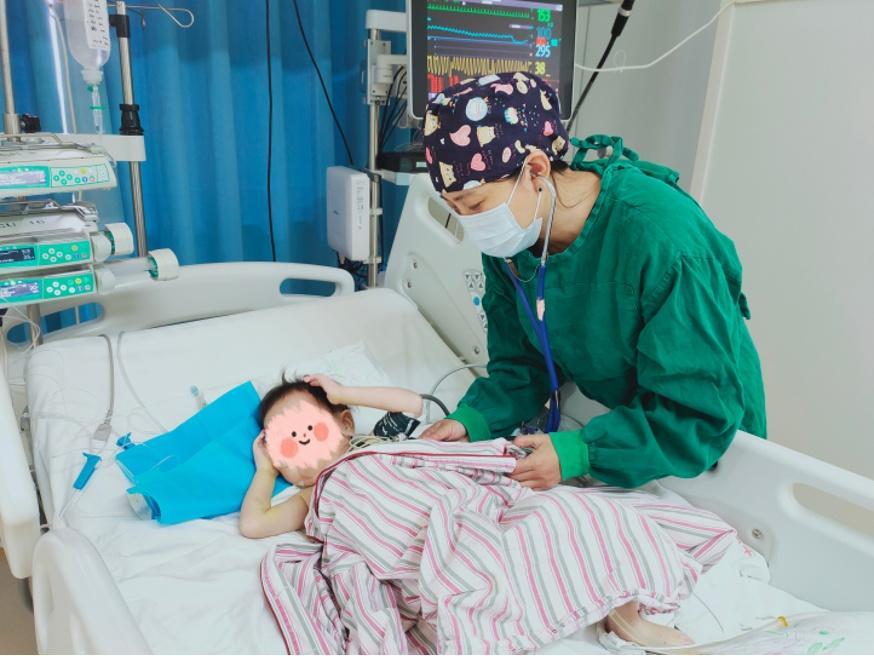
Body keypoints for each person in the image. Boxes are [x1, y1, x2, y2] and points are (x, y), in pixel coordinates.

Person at [419, 71, 766, 490]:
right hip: (623, 434)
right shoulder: (514, 240)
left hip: (707, 446)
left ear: (535, 170)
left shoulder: (662, 240)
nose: (472, 224)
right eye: (454, 208)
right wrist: (472, 420)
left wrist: (585, 452)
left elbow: (699, 410)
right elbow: (521, 364)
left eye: (474, 204)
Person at [239, 374, 423, 538]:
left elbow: (412, 405)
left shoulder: (371, 444)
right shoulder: (312, 498)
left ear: (346, 424)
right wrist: (265, 472)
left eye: (309, 426)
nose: (301, 440)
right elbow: (253, 525)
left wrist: (342, 394)